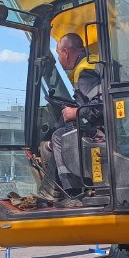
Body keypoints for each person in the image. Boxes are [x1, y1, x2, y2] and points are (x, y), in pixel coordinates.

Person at [39, 32, 103, 201]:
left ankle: (72, 193)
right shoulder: (94, 63)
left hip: (105, 132)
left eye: (59, 54)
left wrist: (74, 112)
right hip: (114, 128)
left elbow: (99, 106)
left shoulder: (84, 73)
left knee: (59, 137)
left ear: (66, 52)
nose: (59, 59)